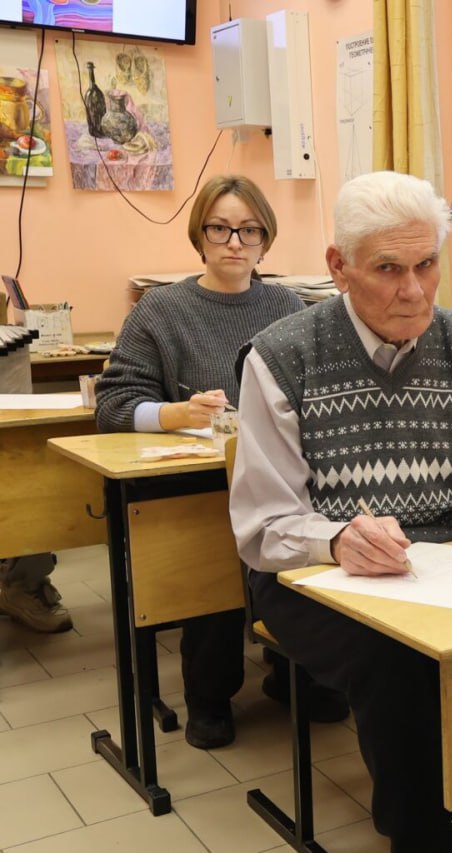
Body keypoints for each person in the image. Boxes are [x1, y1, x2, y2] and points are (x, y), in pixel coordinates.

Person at [229, 170, 452, 853]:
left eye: (427, 264)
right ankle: (425, 836)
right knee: (400, 662)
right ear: (339, 267)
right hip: (312, 574)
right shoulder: (283, 357)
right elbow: (263, 524)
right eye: (388, 269)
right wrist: (338, 538)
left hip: (437, 564)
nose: (414, 289)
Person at [92, 174, 339, 751]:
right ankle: (209, 694)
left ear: (265, 241)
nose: (235, 242)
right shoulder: (162, 310)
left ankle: (297, 672)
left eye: (249, 230)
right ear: (199, 236)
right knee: (207, 565)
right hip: (197, 482)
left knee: (304, 557)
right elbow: (113, 404)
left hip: (285, 477)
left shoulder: (290, 307)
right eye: (221, 228)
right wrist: (174, 413)